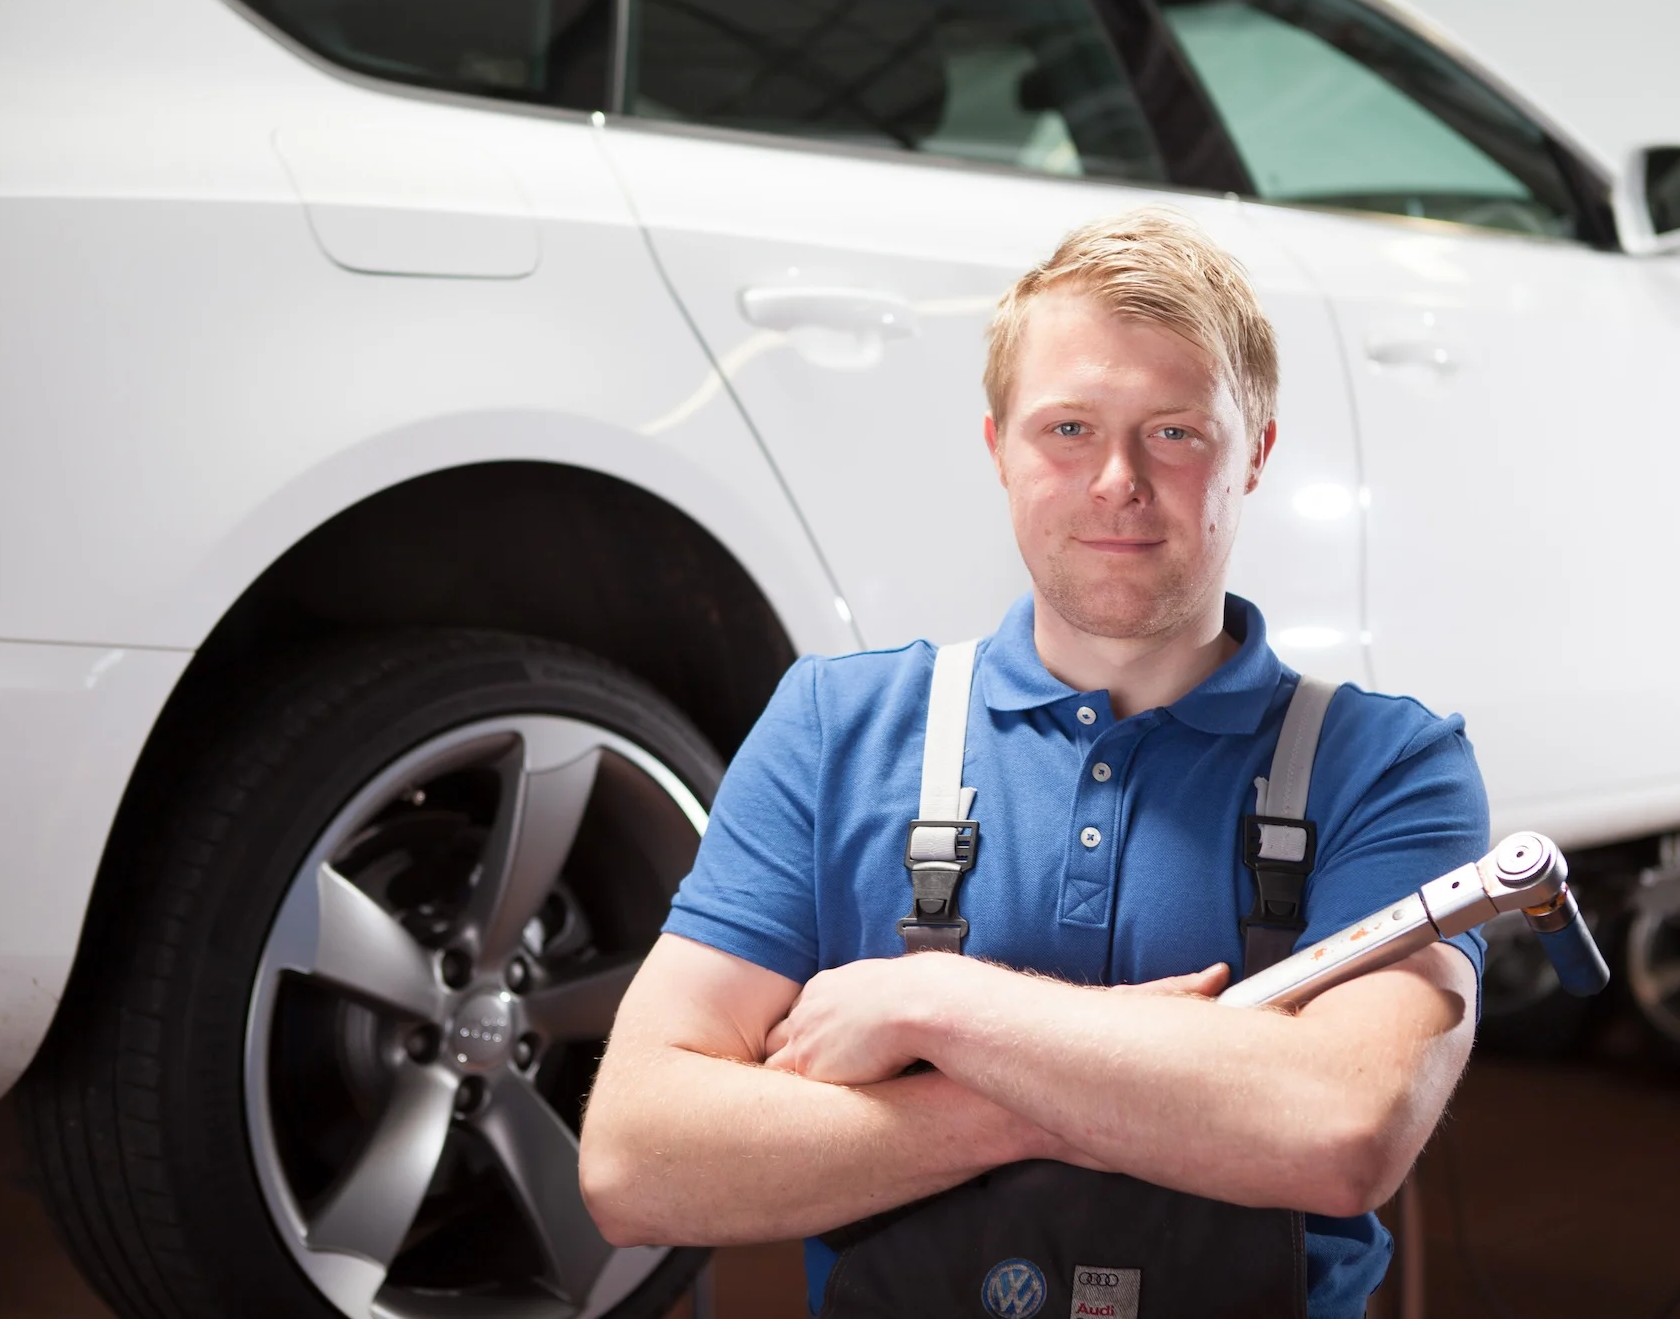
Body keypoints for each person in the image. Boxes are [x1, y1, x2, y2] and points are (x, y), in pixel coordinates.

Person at [579, 209, 1487, 1319]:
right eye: (1066, 429)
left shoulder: (1389, 765)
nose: (1115, 479)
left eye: (1174, 432)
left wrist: (931, 1006)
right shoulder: (835, 727)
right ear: (997, 447)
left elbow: (1342, 1132)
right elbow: (635, 1159)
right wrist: (1092, 1097)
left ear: (1252, 453)